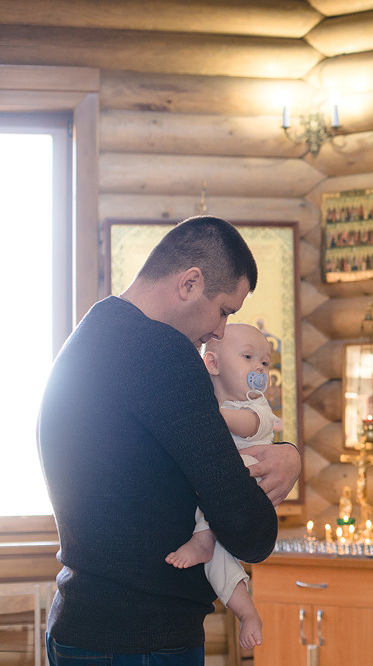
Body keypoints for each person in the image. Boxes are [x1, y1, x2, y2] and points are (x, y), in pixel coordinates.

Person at [37, 216, 302, 665]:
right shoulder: (162, 354)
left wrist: (285, 454)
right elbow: (249, 529)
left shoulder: (95, 331)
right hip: (139, 640)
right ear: (190, 282)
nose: (220, 331)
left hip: (86, 623)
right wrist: (288, 461)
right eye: (224, 310)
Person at [165, 323, 282, 651]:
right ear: (213, 364)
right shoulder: (206, 399)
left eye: (265, 362)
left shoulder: (255, 406)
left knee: (227, 472)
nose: (259, 367)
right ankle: (247, 614)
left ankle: (204, 537)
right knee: (219, 565)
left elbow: (251, 425)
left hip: (246, 483)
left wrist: (212, 417)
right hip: (215, 506)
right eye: (249, 357)